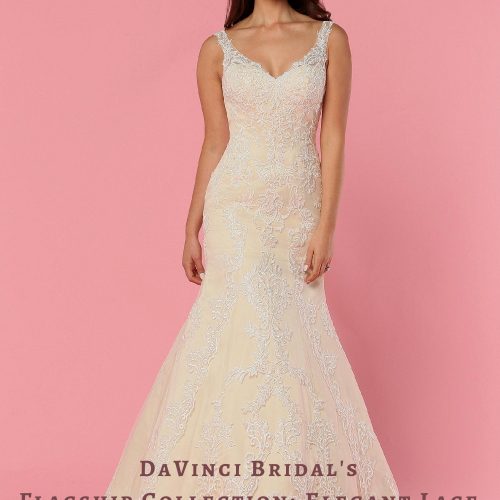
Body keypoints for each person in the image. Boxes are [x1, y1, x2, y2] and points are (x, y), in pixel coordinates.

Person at [105, 1, 400, 498]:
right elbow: (215, 142)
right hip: (235, 211)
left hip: (297, 212)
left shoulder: (330, 40)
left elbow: (332, 135)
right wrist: (192, 224)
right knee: (239, 328)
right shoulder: (216, 50)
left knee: (293, 335)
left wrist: (327, 225)